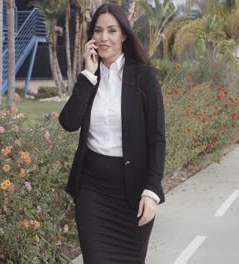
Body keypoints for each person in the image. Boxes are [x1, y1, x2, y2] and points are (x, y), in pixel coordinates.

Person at [58, 3, 165, 263]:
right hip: (92, 191)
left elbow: (157, 139)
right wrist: (87, 75)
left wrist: (151, 192)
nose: (103, 37)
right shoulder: (89, 78)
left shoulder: (144, 77)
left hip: (133, 195)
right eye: (98, 30)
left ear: (124, 35)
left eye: (111, 30)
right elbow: (69, 122)